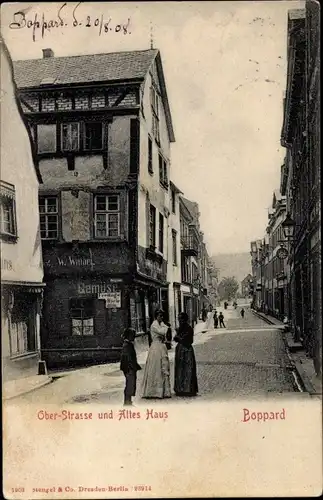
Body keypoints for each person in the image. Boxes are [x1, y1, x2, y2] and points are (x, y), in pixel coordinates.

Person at [141, 309, 171, 399]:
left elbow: (165, 329)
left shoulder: (161, 324)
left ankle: (164, 391)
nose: (161, 317)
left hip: (161, 347)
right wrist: (166, 327)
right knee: (156, 367)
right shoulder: (154, 325)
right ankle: (154, 391)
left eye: (162, 316)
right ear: (156, 316)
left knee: (163, 366)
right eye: (160, 316)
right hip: (155, 347)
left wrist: (165, 327)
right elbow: (163, 331)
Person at [174, 312, 198, 397]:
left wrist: (179, 338)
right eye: (179, 319)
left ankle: (188, 389)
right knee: (180, 369)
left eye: (181, 319)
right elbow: (175, 338)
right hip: (180, 350)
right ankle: (180, 389)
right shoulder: (180, 328)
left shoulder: (189, 328)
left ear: (185, 319)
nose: (180, 321)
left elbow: (189, 340)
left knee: (187, 369)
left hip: (186, 350)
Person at [120, 328, 142, 406]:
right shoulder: (126, 345)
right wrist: (132, 367)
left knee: (130, 384)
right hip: (129, 368)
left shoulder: (128, 344)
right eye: (133, 335)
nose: (134, 337)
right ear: (129, 336)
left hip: (130, 368)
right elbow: (127, 358)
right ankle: (127, 402)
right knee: (130, 384)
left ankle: (128, 401)